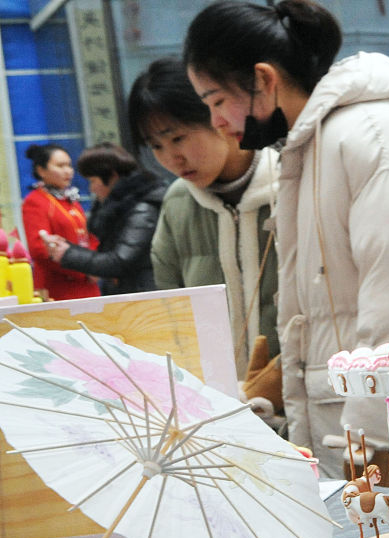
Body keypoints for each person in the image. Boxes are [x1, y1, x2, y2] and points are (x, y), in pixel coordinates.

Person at [183, 0, 389, 478]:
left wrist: (370, 447)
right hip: (349, 437)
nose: (216, 121)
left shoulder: (375, 140)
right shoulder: (310, 148)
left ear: (263, 79)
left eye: (217, 100)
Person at [131, 56, 281, 384]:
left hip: (303, 396)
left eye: (179, 137)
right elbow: (172, 316)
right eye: (156, 145)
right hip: (218, 405)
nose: (171, 158)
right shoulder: (177, 203)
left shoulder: (287, 186)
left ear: (219, 116)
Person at [43, 143, 165, 295]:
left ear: (112, 176)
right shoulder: (121, 208)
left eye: (93, 181)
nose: (92, 188)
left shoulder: (142, 208)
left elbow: (120, 261)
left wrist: (69, 253)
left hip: (144, 295)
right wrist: (69, 250)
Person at [21, 144, 100, 300]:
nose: (68, 171)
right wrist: (84, 269)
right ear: (41, 170)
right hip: (59, 287)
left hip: (87, 282)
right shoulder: (35, 201)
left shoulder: (70, 199)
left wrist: (97, 266)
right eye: (60, 166)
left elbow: (88, 235)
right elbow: (39, 249)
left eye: (69, 165)